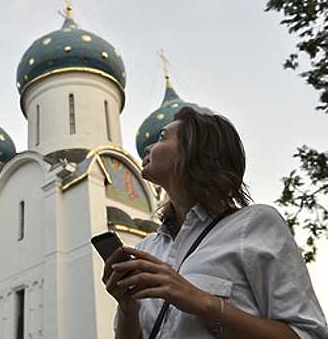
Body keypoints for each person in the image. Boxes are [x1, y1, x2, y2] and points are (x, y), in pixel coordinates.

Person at [103, 107, 328, 338]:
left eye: (161, 138)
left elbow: (307, 333)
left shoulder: (253, 225)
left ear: (193, 151)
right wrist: (128, 309)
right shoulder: (146, 249)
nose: (148, 148)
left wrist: (201, 302)